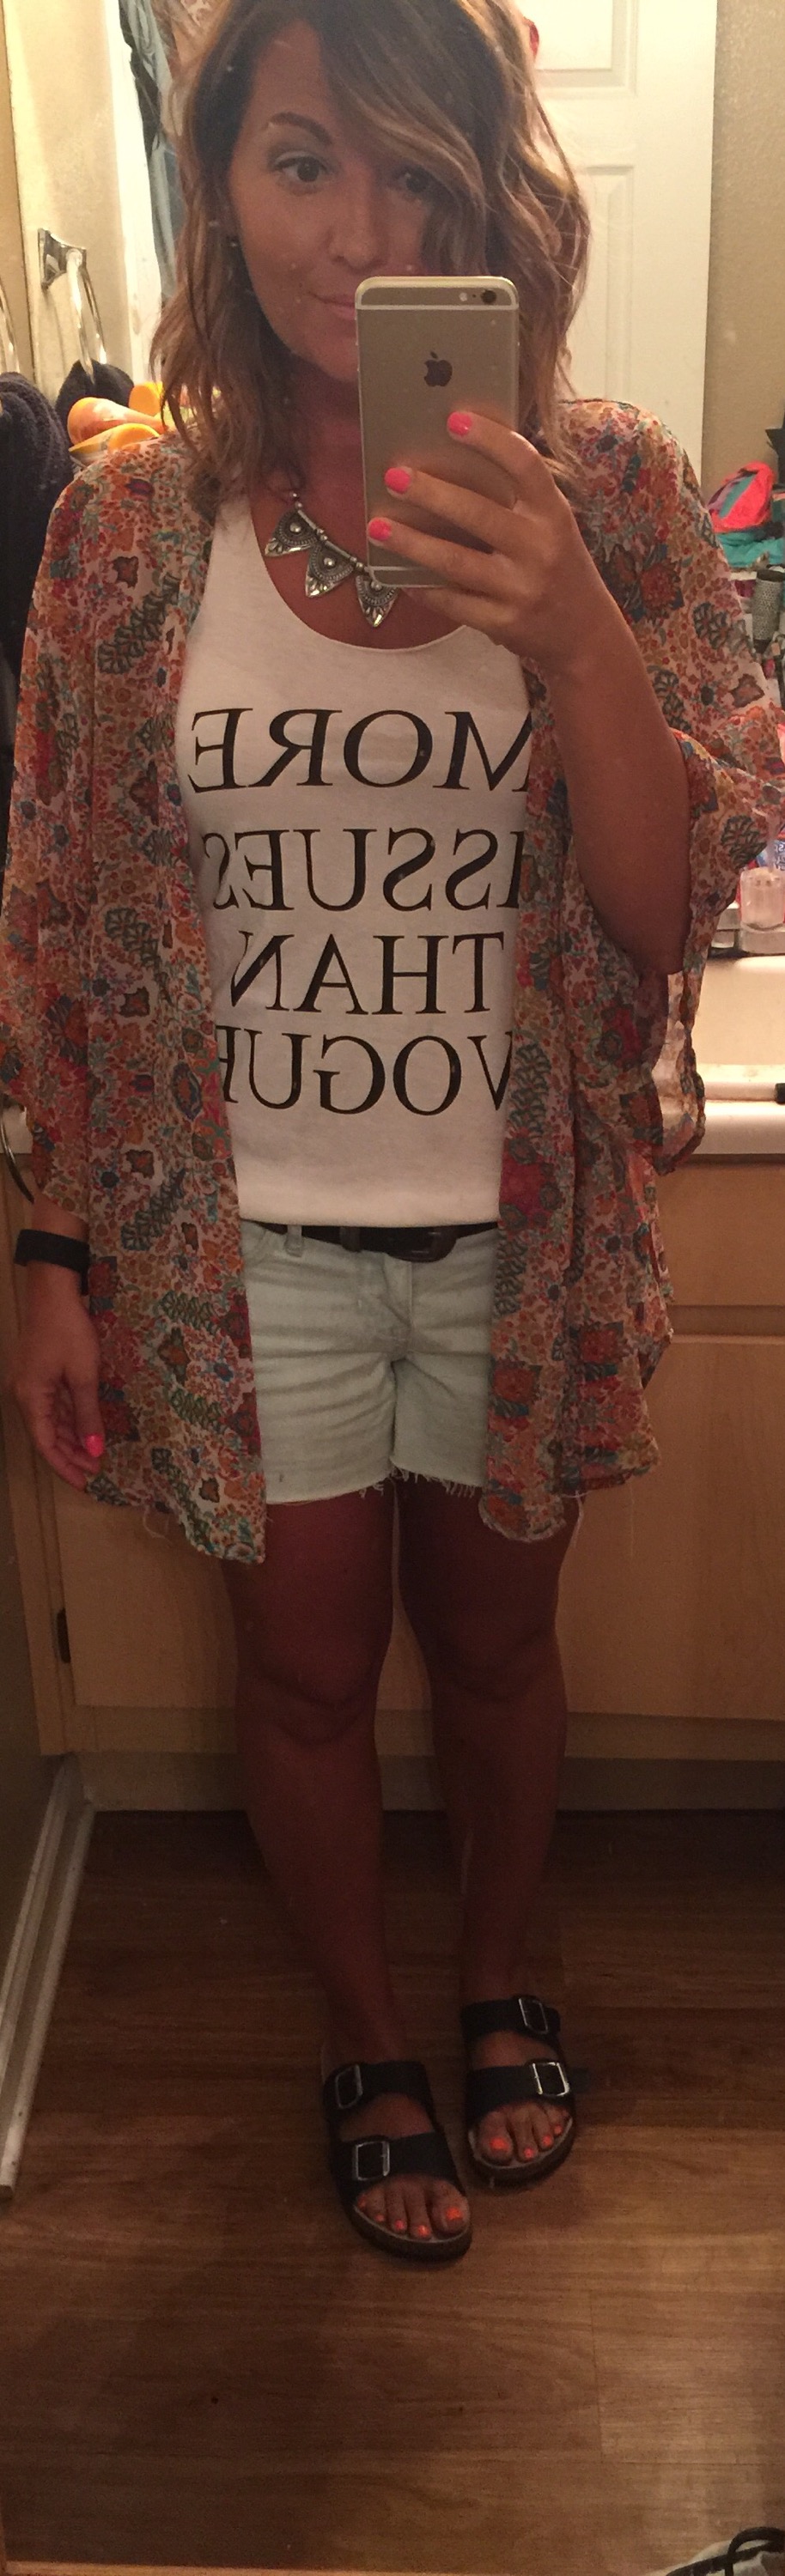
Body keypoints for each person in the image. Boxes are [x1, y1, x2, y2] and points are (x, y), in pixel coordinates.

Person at [1, 0, 782, 2267]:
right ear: (220, 188)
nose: (360, 235)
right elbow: (65, 904)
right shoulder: (128, 528)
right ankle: (366, 2036)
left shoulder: (608, 488)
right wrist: (50, 1250)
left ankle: (502, 1979)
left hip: (520, 1233)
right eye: (303, 164)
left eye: (420, 173)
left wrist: (579, 638)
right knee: (307, 1675)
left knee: (505, 1661)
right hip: (234, 1249)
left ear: (500, 201)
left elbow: (671, 901)